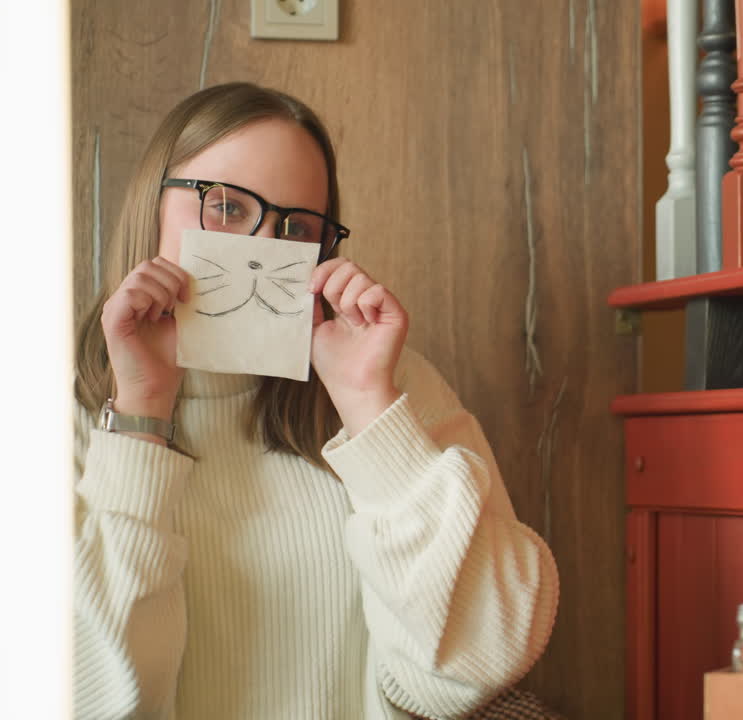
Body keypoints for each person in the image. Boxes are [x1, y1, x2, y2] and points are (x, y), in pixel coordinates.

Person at [72, 82, 559, 720]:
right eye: (225, 207)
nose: (264, 248)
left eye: (297, 226)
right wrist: (142, 412)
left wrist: (369, 406)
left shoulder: (388, 379)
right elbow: (85, 697)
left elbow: (481, 663)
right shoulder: (46, 407)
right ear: (151, 206)